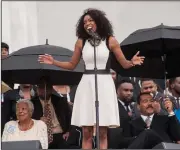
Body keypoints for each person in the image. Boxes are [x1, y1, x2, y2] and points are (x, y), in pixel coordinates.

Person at [38, 8, 145, 149]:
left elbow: (124, 64)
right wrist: (54, 62)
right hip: (87, 82)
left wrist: (132, 62)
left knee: (102, 132)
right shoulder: (81, 42)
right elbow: (71, 65)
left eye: (90, 20)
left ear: (98, 22)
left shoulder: (110, 40)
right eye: (84, 22)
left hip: (105, 82)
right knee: (87, 131)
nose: (87, 23)